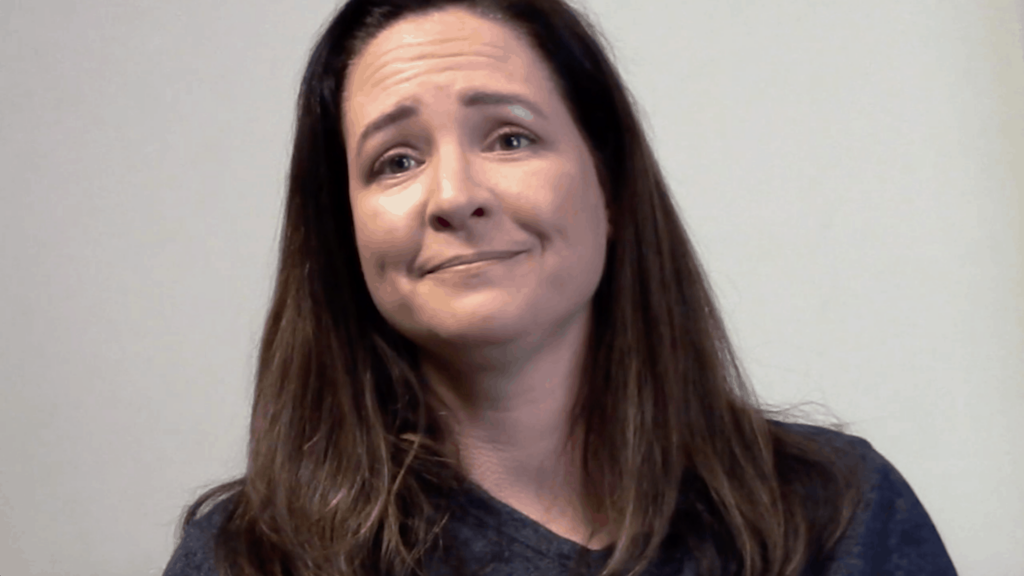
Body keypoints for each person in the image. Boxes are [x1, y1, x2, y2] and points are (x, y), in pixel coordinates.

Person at [162, 1, 959, 575]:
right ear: (346, 232)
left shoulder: (837, 514)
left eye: (511, 137)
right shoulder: (245, 557)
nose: (453, 195)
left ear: (607, 189)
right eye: (395, 160)